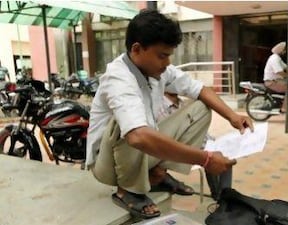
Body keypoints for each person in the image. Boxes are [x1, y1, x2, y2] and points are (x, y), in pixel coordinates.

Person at [86, 9, 253, 220]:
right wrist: (207, 159)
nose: (166, 63)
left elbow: (200, 89)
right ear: (137, 49)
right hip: (107, 164)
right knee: (130, 125)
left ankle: (158, 173)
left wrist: (232, 116)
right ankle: (127, 190)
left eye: (168, 56)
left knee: (200, 108)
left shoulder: (158, 71)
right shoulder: (118, 78)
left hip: (138, 153)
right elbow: (138, 137)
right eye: (162, 55)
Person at [157, 92, 233, 201]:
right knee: (211, 157)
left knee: (225, 156)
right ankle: (221, 197)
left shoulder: (184, 103)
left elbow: (198, 128)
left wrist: (214, 142)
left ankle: (225, 196)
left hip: (202, 142)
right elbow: (170, 135)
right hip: (182, 146)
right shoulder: (160, 106)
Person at [263, 42, 288, 113]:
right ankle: (284, 108)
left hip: (276, 81)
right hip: (271, 82)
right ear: (280, 50)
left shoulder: (277, 58)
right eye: (284, 50)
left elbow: (286, 67)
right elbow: (279, 72)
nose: (285, 51)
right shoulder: (274, 59)